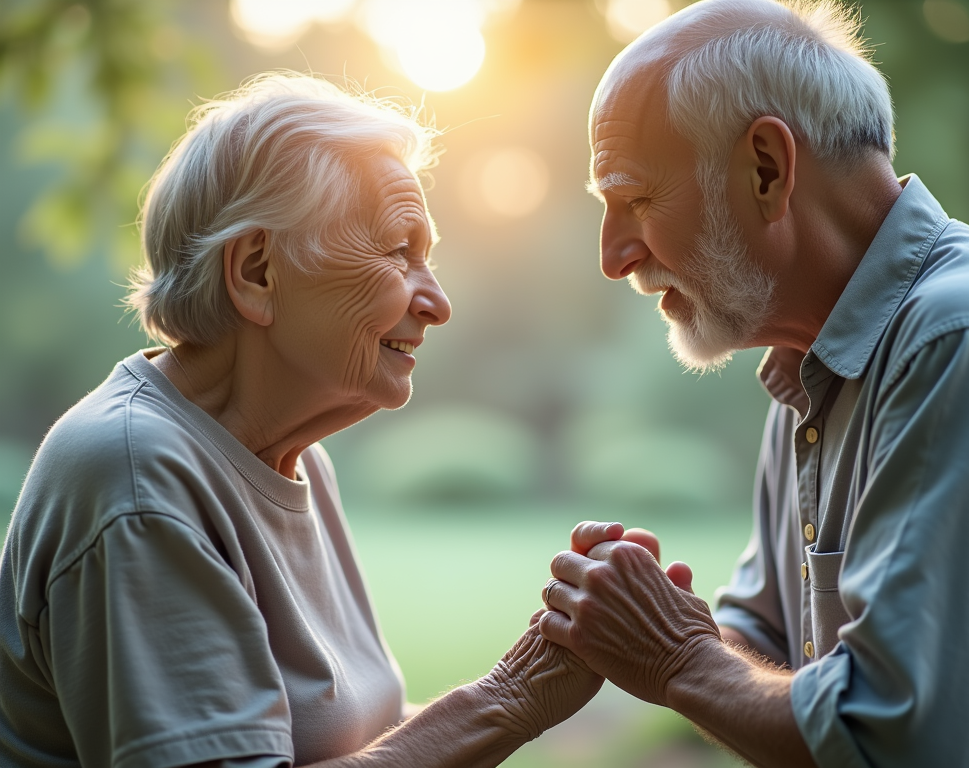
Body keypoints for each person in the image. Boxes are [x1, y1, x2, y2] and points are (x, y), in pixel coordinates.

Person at [0, 73, 604, 768]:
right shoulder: (138, 482)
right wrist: (508, 700)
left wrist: (542, 664)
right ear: (257, 271)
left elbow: (347, 740)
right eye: (396, 250)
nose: (437, 302)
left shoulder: (295, 458)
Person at [537, 0, 969, 766]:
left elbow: (890, 738)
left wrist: (676, 657)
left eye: (634, 199)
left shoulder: (960, 338)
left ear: (767, 168)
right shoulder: (809, 363)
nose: (614, 255)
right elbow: (761, 646)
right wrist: (647, 615)